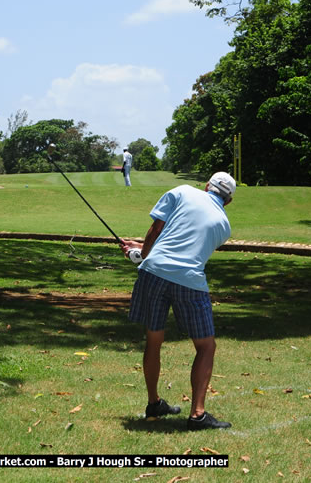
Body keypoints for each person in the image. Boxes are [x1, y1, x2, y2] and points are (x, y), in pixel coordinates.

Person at [120, 172, 236, 430]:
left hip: (153, 273)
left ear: (206, 186)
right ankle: (197, 415)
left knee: (154, 340)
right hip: (189, 281)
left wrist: (140, 253)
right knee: (206, 346)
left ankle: (154, 403)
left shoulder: (182, 191)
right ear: (228, 201)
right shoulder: (224, 226)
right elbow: (187, 246)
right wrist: (142, 250)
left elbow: (157, 231)